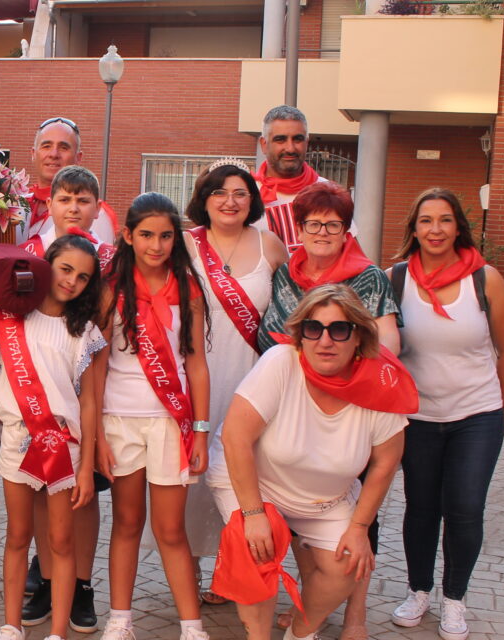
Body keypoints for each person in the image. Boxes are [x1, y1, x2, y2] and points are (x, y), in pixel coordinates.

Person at [208, 285, 415, 640]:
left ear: (358, 337)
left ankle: (302, 632)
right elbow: (236, 437)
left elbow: (385, 463)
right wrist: (253, 514)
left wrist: (359, 527)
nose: (325, 340)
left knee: (348, 564)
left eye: (339, 329)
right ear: (300, 334)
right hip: (255, 483)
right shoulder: (280, 363)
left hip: (326, 498)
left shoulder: (381, 384)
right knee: (254, 547)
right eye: (313, 328)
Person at [0, 236, 103, 640]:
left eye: (83, 277)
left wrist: (87, 468)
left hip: (64, 449)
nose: (72, 281)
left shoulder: (85, 332)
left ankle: (58, 633)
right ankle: (10, 625)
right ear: (46, 266)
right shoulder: (4, 318)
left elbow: (89, 405)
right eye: (65, 269)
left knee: (61, 541)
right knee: (18, 536)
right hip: (17, 443)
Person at [386, 188, 504, 640]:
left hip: (477, 414)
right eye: (426, 221)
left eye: (445, 220)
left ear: (459, 226)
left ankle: (454, 599)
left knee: (463, 507)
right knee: (421, 507)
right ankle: (419, 590)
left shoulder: (486, 279)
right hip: (418, 417)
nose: (435, 229)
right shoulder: (396, 280)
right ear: (415, 228)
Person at [95, 193, 211, 640]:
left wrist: (200, 430)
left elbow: (196, 362)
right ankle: (120, 619)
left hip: (170, 421)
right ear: (127, 235)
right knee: (126, 523)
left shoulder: (188, 287)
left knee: (170, 528)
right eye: (146, 235)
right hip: (120, 420)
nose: (156, 245)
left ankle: (191, 626)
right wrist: (97, 436)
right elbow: (99, 363)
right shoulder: (111, 287)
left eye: (165, 236)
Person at [182, 161, 288, 607]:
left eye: (240, 193)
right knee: (188, 487)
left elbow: (288, 313)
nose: (230, 201)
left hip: (252, 382)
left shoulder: (271, 246)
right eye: (219, 192)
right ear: (204, 199)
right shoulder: (183, 244)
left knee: (246, 482)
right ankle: (187, 588)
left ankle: (235, 576)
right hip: (191, 382)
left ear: (252, 200)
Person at [19, 165, 110, 632]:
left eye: (84, 200)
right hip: (38, 396)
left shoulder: (111, 261)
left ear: (98, 208)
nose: (74, 208)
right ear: (49, 203)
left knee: (83, 492)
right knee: (41, 486)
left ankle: (82, 584)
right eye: (65, 199)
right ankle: (50, 578)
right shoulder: (31, 258)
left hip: (96, 391)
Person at [257, 182, 398, 355]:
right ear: (300, 230)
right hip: (280, 378)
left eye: (332, 225)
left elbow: (388, 341)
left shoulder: (370, 278)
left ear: (345, 233)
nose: (322, 232)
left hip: (343, 381)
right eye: (314, 224)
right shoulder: (284, 274)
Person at [22, 117, 118, 244]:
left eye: (63, 147)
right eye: (46, 146)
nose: (54, 154)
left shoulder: (93, 213)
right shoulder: (15, 203)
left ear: (78, 158)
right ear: (33, 154)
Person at [251, 105, 333, 253]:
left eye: (297, 139)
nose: (290, 148)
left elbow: (350, 253)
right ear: (264, 144)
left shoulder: (330, 192)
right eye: (280, 140)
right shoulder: (245, 195)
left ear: (307, 143)